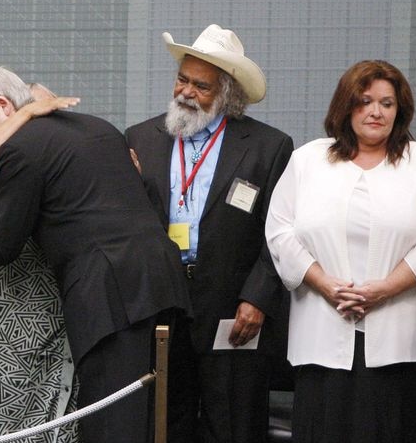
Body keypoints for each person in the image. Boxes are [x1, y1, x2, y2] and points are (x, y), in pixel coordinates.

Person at [0, 66, 191, 443]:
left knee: (112, 422)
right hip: (162, 280)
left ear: (2, 105)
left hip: (109, 294)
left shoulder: (20, 148)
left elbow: (2, 244)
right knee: (152, 419)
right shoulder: (100, 127)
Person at [125, 24, 293, 442]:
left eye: (201, 86)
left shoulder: (269, 147)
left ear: (227, 94)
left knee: (233, 423)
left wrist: (257, 298)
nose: (185, 92)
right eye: (182, 79)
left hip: (234, 312)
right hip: (162, 308)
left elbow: (281, 232)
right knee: (165, 421)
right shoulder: (140, 139)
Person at [266, 60, 416, 442]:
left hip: (399, 338)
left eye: (387, 103)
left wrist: (385, 288)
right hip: (320, 333)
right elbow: (279, 231)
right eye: (365, 100)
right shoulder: (308, 160)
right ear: (346, 105)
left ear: (400, 110)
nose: (376, 111)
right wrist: (326, 284)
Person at [0, 82, 82, 443]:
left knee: (42, 418)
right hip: (6, 313)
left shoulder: (25, 152)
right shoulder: (23, 145)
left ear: (2, 104)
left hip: (36, 308)